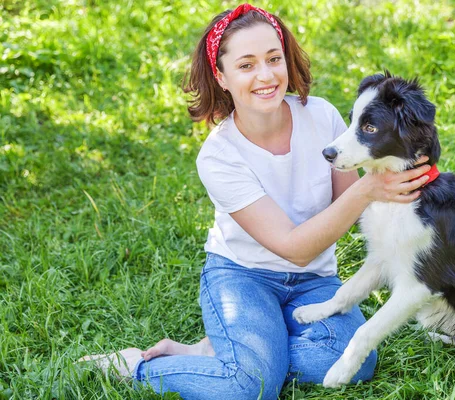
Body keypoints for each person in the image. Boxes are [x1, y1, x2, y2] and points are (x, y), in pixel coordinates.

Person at [80, 3, 432, 399]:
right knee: (253, 387)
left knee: (356, 362)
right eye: (246, 65)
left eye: (273, 59)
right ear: (222, 77)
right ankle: (142, 367)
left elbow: (344, 211)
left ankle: (233, 353)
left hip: (314, 280)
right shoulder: (219, 156)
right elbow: (294, 249)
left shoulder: (322, 117)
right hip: (243, 278)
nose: (265, 75)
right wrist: (369, 188)